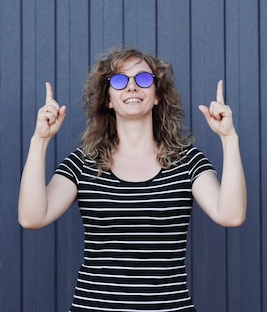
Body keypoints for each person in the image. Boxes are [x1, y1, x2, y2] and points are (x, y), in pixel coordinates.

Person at [18, 47, 247, 312]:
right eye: (119, 80)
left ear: (158, 95)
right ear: (108, 100)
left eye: (143, 79)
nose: (131, 87)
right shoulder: (85, 162)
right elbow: (32, 217)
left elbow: (231, 215)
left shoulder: (186, 161)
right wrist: (40, 141)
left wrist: (229, 140)